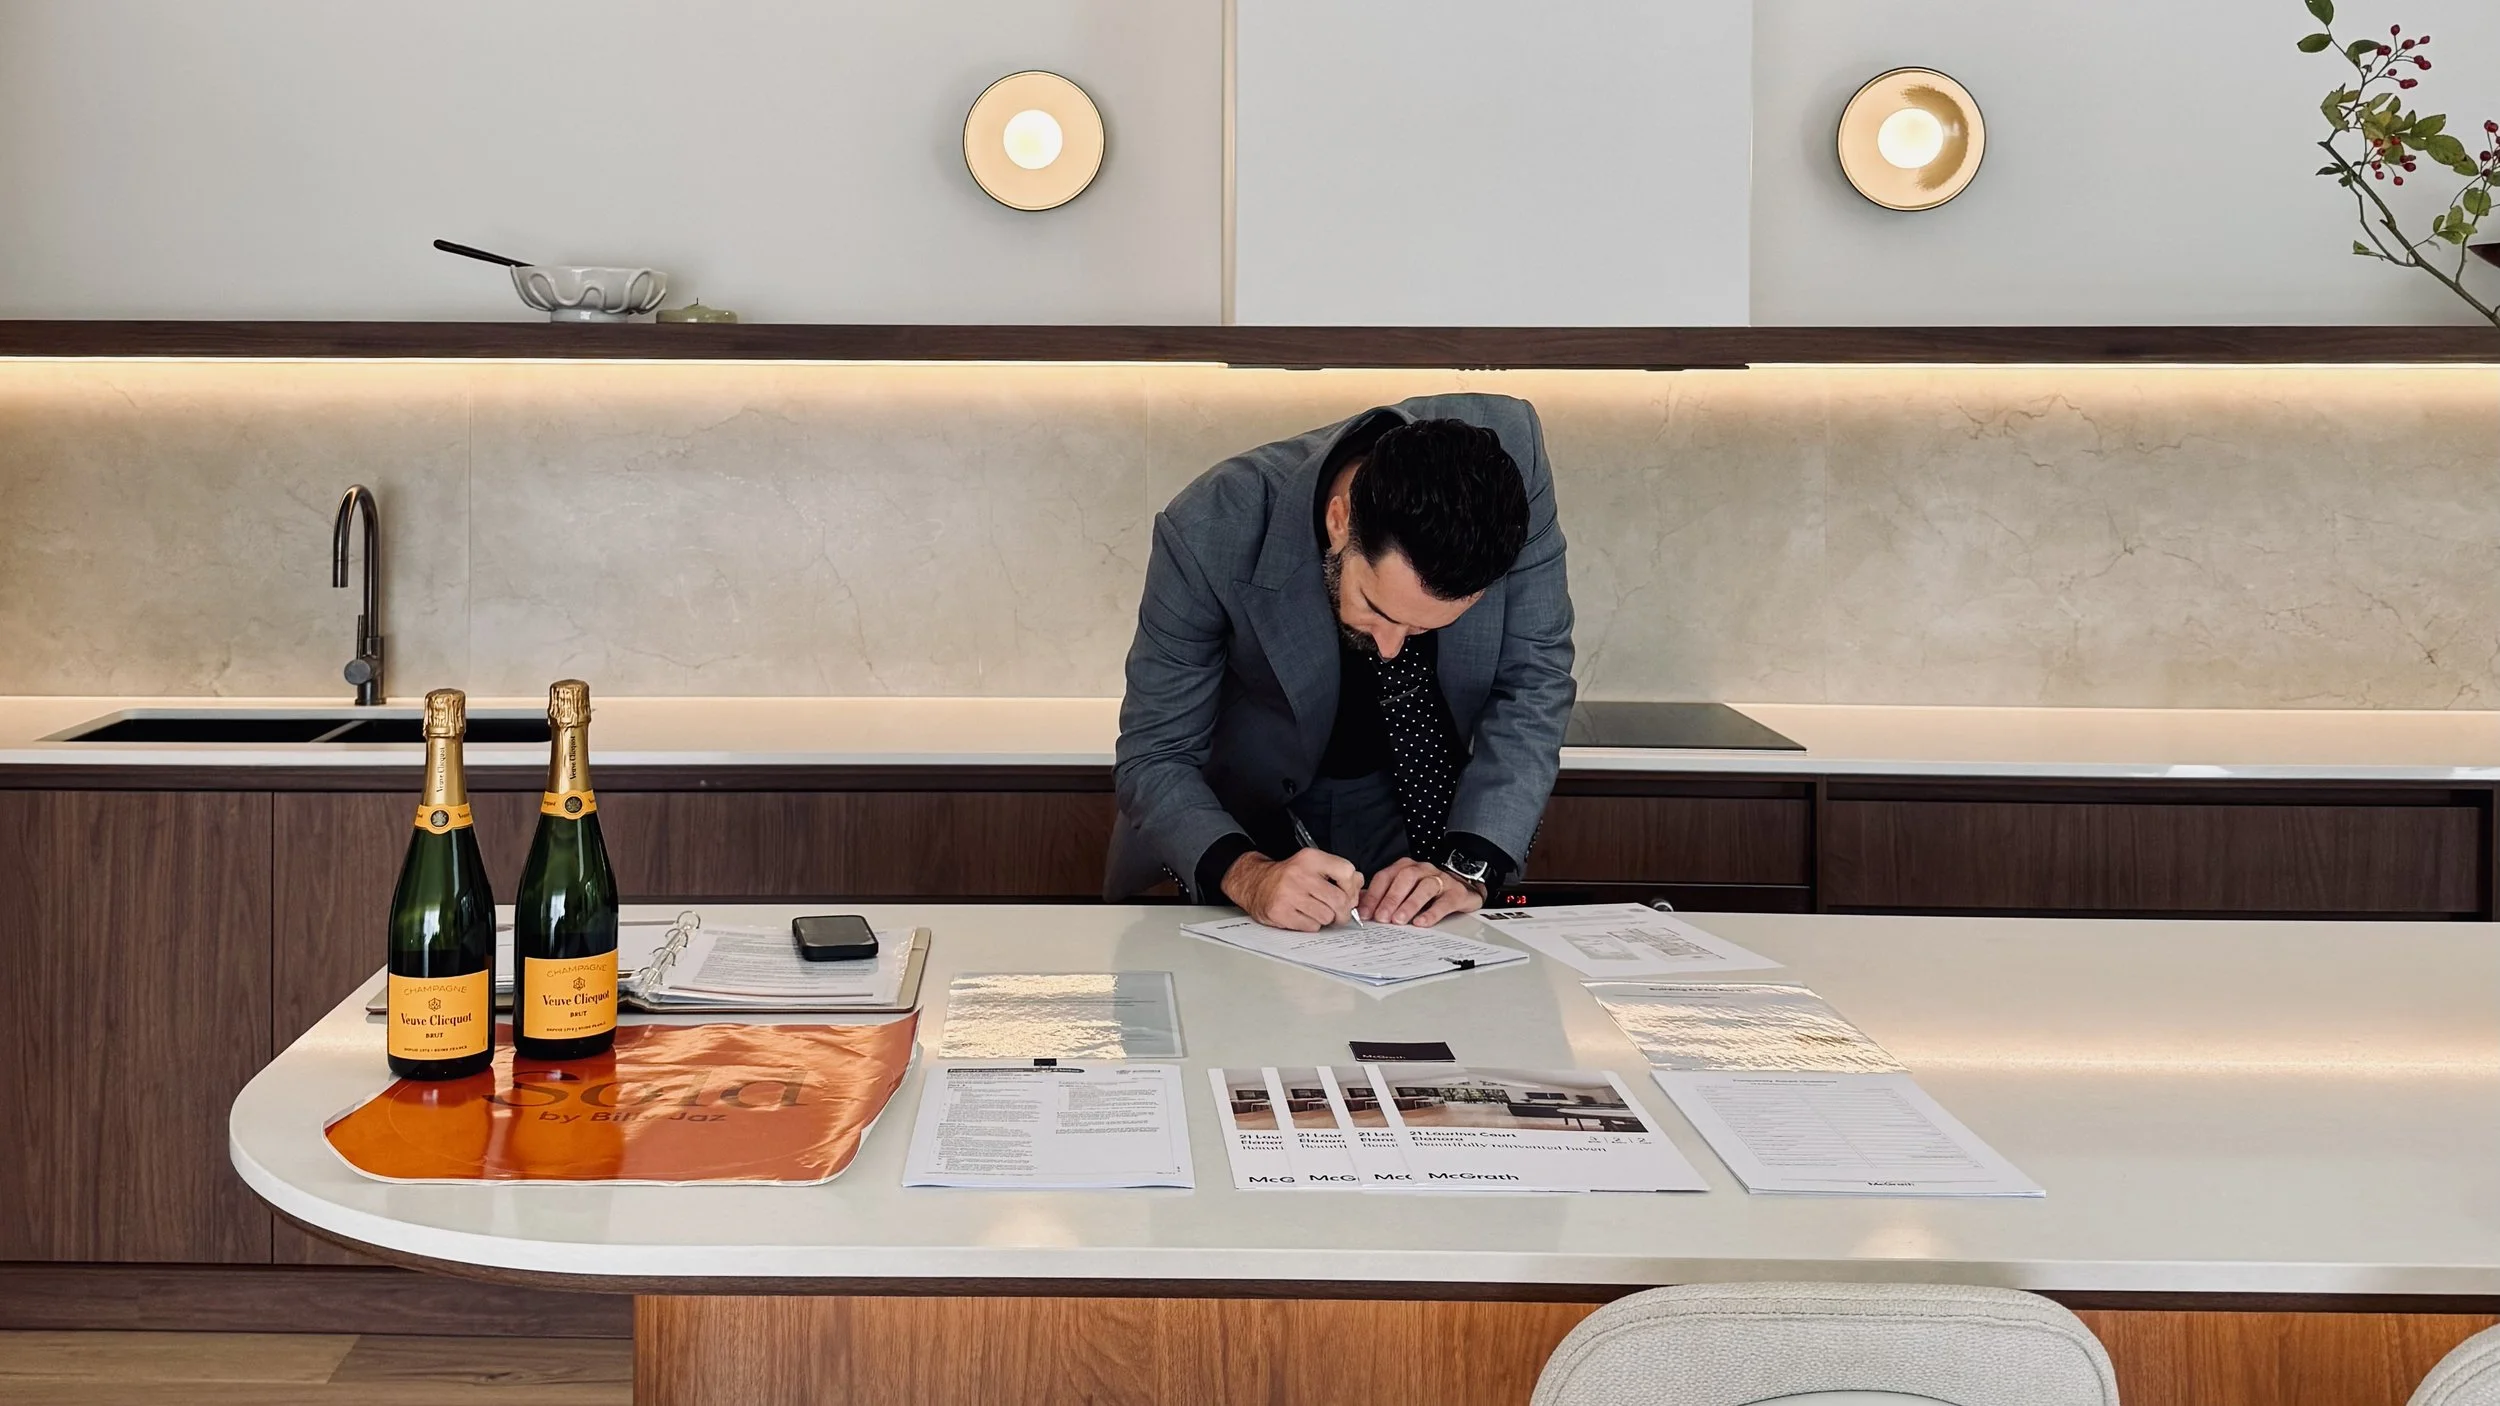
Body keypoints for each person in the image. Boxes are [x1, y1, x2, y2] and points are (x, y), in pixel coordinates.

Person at [1106, 394, 1575, 931]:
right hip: (1245, 814)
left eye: (1424, 628)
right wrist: (1248, 876)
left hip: (1415, 801)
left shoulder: (1507, 467)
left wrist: (1469, 866)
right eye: (1376, 608)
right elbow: (1156, 754)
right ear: (1339, 520)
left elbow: (1533, 680)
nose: (1392, 648)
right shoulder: (1211, 525)